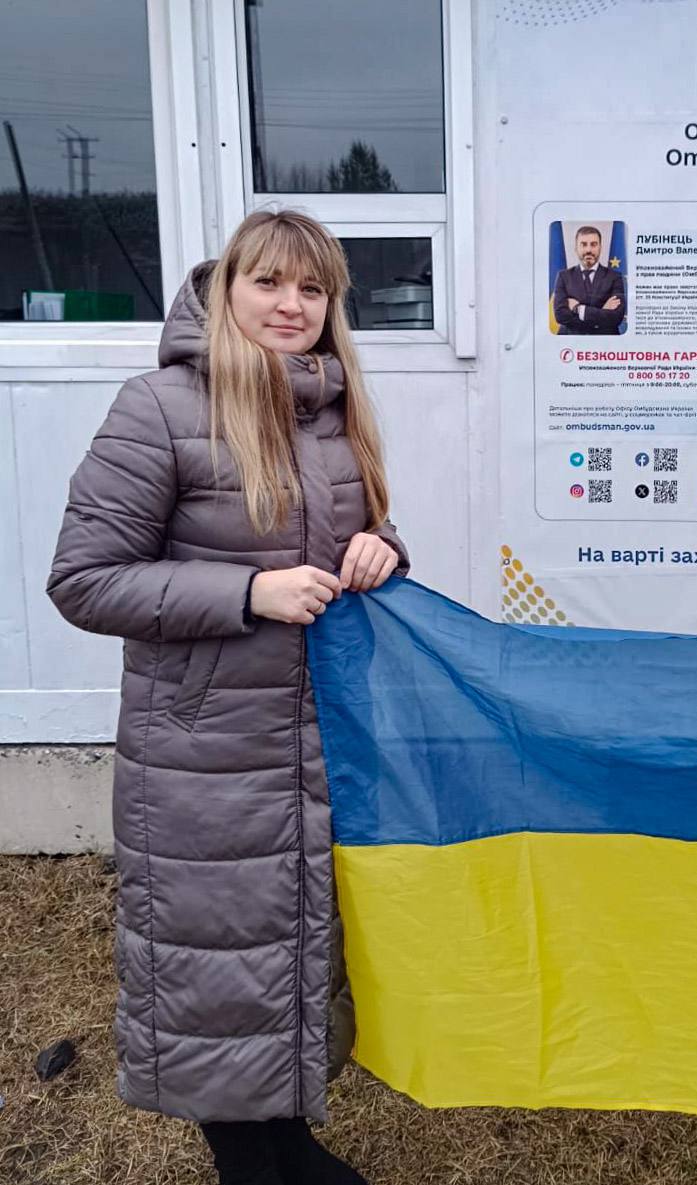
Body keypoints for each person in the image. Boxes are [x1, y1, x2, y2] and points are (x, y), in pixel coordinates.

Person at [46, 209, 410, 1185]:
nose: (291, 305)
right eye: (269, 283)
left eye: (312, 288)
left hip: (315, 745)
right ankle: (258, 1160)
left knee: (286, 957)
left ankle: (283, 1147)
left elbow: (349, 541)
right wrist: (248, 593)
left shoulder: (333, 409)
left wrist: (381, 548)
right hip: (201, 761)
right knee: (217, 969)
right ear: (225, 289)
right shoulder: (159, 408)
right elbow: (84, 580)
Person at [552, 224, 627, 334]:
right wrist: (601, 313)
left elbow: (616, 317)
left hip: (605, 341)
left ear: (600, 248)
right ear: (576, 248)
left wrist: (578, 308)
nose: (588, 250)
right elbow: (560, 316)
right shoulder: (563, 276)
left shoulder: (615, 277)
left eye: (593, 244)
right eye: (583, 244)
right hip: (571, 340)